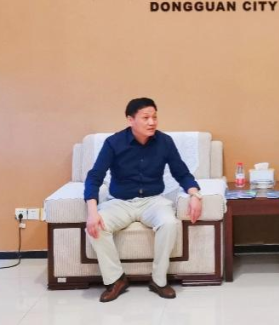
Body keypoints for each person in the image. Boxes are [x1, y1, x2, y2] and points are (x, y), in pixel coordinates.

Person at [83, 97, 203, 302]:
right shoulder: (113, 143)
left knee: (169, 223)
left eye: (154, 117)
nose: (152, 122)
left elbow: (181, 173)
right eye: (146, 118)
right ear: (130, 120)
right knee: (96, 228)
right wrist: (92, 213)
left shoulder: (165, 142)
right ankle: (116, 279)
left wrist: (195, 194)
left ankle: (158, 280)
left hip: (153, 201)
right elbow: (95, 177)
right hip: (120, 201)